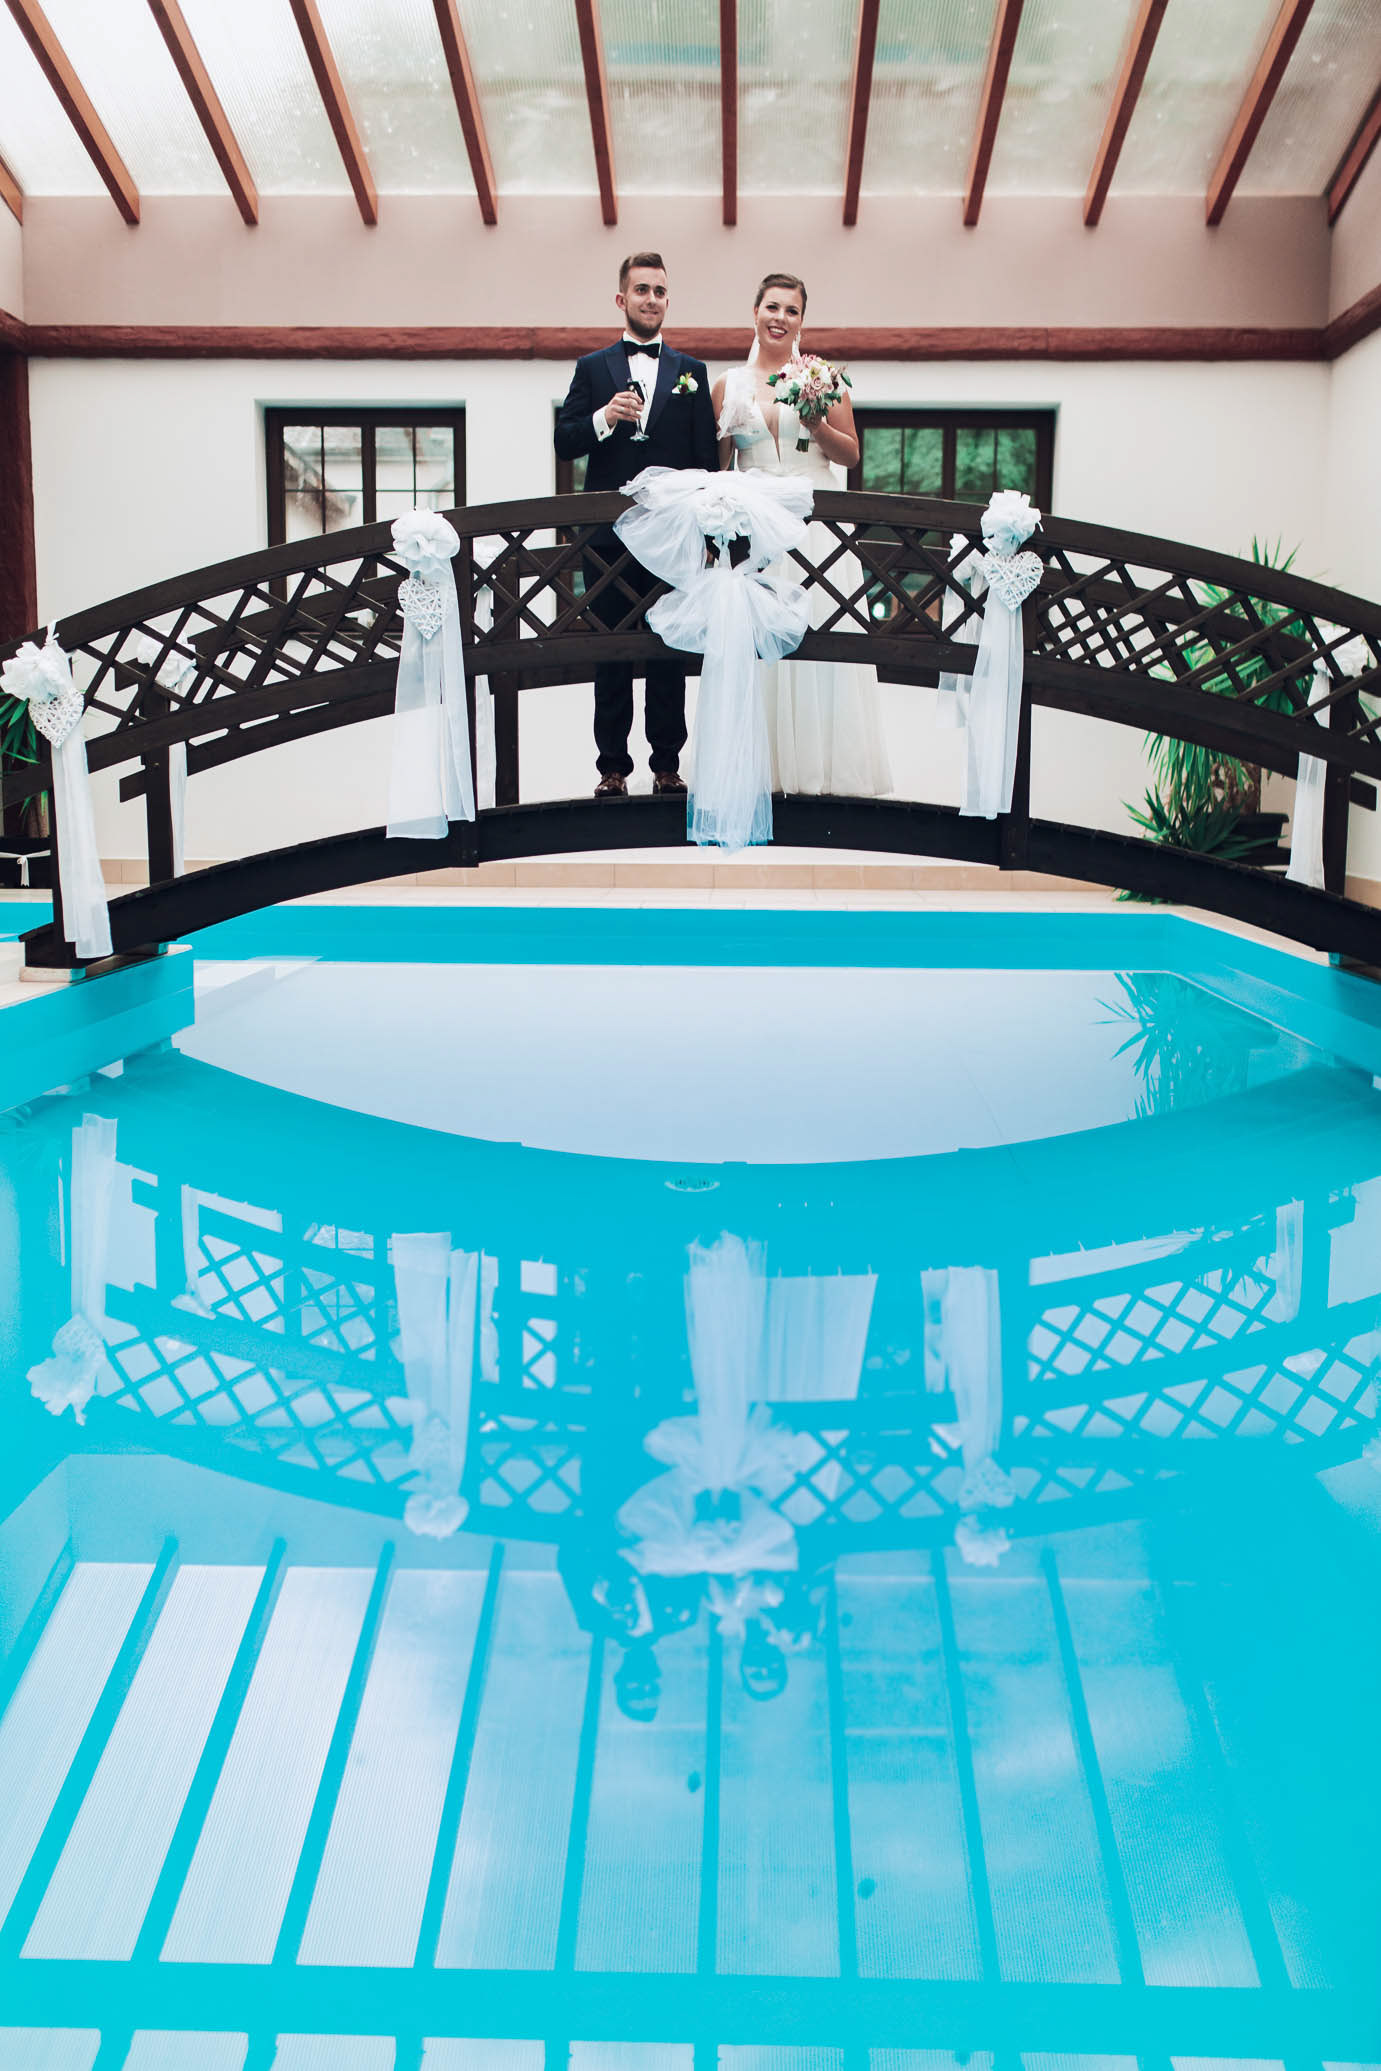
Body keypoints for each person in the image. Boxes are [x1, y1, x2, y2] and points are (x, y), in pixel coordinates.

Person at [711, 273, 892, 799]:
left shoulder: (821, 378)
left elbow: (850, 454)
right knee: (758, 645)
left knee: (820, 635)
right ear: (755, 312)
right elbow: (720, 466)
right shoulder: (728, 385)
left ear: (802, 321)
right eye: (772, 307)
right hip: (755, 533)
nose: (780, 318)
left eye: (791, 310)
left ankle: (822, 772)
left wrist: (816, 425)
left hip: (815, 530)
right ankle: (762, 770)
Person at [554, 251, 719, 798]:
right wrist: (605, 418)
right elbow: (564, 440)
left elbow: (705, 461)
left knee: (669, 649)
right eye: (642, 290)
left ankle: (667, 765)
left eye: (660, 291)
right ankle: (612, 768)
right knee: (612, 651)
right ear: (622, 299)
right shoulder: (592, 368)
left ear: (668, 300)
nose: (651, 299)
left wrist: (707, 533)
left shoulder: (692, 372)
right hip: (608, 537)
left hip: (673, 538)